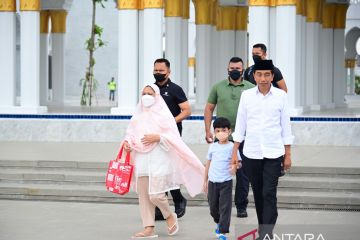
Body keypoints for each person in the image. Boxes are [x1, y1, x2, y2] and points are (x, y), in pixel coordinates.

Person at [123, 84, 205, 238]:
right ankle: (148, 228)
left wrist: (158, 137)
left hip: (159, 159)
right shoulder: (138, 115)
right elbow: (130, 134)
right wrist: (128, 144)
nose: (146, 96)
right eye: (144, 93)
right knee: (144, 195)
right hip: (141, 159)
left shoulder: (164, 115)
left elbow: (173, 138)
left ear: (157, 96)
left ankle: (169, 215)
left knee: (156, 195)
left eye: (150, 93)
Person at [231, 60, 294, 240]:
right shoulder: (247, 96)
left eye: (267, 75)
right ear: (254, 76)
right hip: (251, 153)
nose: (263, 78)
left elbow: (286, 126)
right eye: (260, 75)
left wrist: (287, 154)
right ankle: (263, 230)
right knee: (258, 193)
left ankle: (267, 233)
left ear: (272, 76)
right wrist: (235, 152)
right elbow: (241, 124)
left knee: (268, 192)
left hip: (274, 152)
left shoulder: (281, 96)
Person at [204, 57, 255, 218]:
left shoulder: (250, 88)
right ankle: (217, 204)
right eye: (232, 67)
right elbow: (209, 108)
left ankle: (241, 206)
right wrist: (208, 130)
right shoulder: (218, 87)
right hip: (223, 137)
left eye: (238, 68)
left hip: (244, 137)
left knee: (242, 173)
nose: (235, 70)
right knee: (220, 170)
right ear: (227, 69)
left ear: (243, 69)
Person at [153, 58, 191, 220]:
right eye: (156, 70)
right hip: (153, 137)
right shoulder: (151, 89)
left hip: (171, 136)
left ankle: (178, 199)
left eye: (161, 71)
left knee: (169, 169)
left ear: (168, 72)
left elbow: (187, 110)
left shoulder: (175, 89)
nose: (158, 73)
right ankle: (161, 207)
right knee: (157, 171)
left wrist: (171, 122)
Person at [203, 117, 239, 240]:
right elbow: (208, 163)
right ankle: (219, 223)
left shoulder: (232, 146)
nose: (220, 133)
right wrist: (205, 181)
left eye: (223, 130)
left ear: (229, 131)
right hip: (213, 181)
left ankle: (222, 232)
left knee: (225, 207)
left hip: (226, 182)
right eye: (217, 131)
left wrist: (235, 166)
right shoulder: (213, 147)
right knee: (213, 207)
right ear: (214, 132)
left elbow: (238, 162)